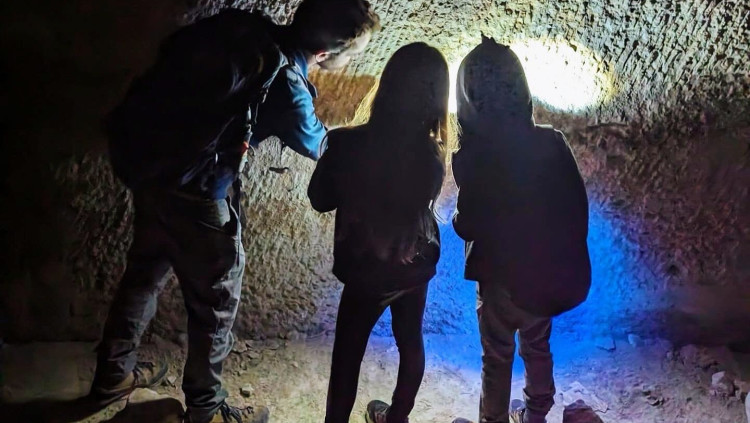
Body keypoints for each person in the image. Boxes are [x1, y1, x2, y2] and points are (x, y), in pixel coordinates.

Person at [90, 2, 380, 423]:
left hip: (154, 175)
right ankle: (206, 410)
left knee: (143, 275)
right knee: (216, 303)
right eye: (351, 56)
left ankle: (113, 375)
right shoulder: (286, 81)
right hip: (200, 194)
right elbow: (320, 145)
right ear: (324, 54)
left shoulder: (245, 31)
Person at [308, 42, 455, 423]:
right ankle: (397, 417)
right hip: (413, 262)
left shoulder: (347, 143)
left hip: (365, 266)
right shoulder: (432, 156)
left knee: (347, 355)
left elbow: (320, 199)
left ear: (387, 86)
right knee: (411, 341)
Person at [450, 36, 591, 423]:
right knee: (537, 345)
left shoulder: (474, 156)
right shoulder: (552, 142)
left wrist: (456, 219)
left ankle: (493, 419)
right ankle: (536, 413)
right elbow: (576, 205)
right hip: (543, 276)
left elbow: (468, 225)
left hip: (499, 283)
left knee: (497, 357)